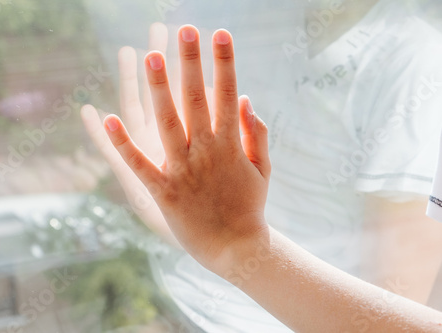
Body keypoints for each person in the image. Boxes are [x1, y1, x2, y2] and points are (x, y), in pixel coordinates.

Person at [81, 1, 442, 331]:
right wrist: (187, 215)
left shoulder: (419, 67)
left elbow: (386, 316)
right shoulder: (262, 19)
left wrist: (235, 244)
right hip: (181, 303)